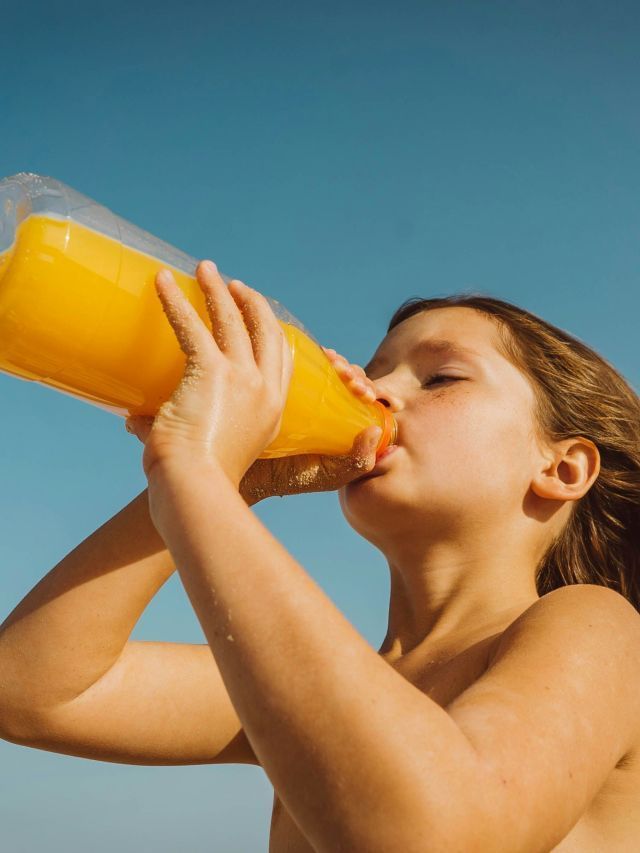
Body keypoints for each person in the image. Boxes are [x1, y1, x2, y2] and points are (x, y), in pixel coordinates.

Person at [1, 260, 639, 851]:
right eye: (373, 371)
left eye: (441, 377)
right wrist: (232, 482)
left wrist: (193, 474)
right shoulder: (326, 687)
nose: (371, 390)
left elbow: (439, 829)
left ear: (562, 465)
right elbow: (32, 690)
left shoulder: (600, 627)